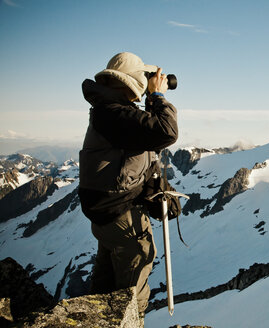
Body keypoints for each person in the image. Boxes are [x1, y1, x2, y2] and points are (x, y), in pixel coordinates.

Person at [78, 52, 178, 321]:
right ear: (131, 82)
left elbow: (134, 156)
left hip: (107, 211)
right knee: (133, 281)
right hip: (119, 213)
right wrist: (157, 98)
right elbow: (166, 132)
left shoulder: (112, 111)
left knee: (106, 283)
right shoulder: (114, 113)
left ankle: (95, 322)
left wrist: (153, 188)